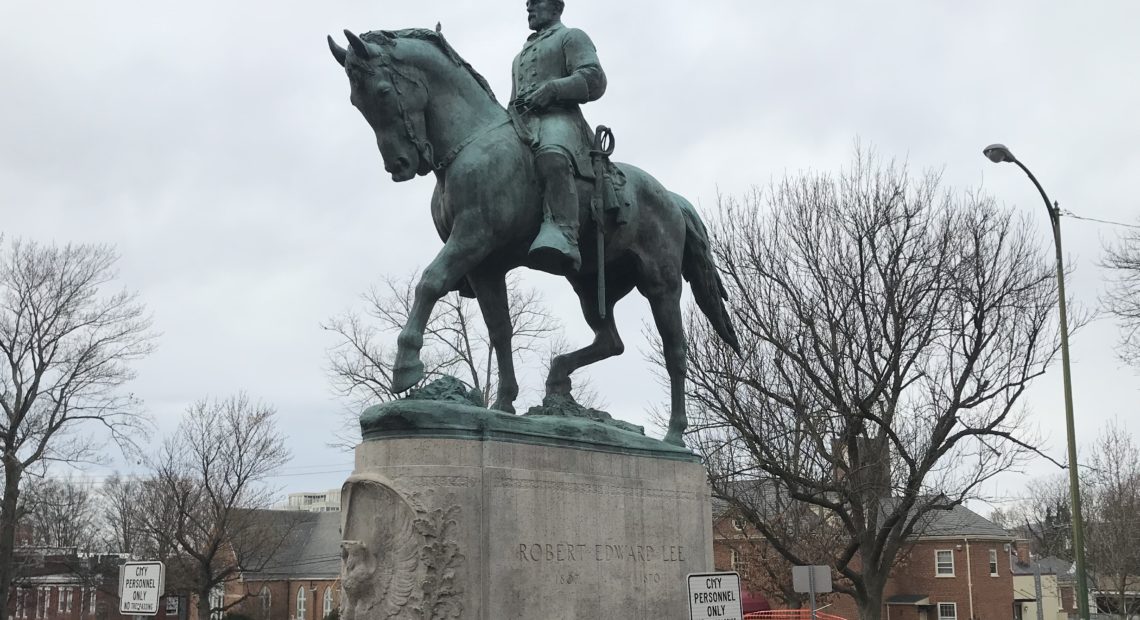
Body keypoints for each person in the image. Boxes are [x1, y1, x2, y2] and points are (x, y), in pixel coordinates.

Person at [511, 0, 607, 275]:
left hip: (561, 119)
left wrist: (554, 89)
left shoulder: (571, 36)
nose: (529, 8)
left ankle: (564, 233)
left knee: (551, 154)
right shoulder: (520, 56)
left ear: (556, 8)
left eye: (535, 3)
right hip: (524, 123)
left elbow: (594, 79)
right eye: (527, 4)